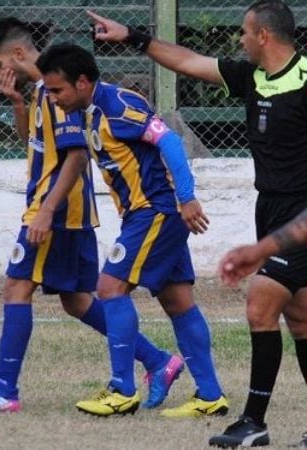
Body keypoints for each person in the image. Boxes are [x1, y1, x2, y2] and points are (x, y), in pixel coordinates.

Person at [88, 0, 306, 445]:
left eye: (244, 32)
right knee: (300, 319)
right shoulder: (252, 76)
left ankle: (253, 422)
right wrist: (133, 36)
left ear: (264, 35)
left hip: (302, 214)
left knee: (260, 303)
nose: (239, 40)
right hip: (270, 207)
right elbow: (187, 61)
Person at [0, 18, 182, 414]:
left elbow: (75, 156)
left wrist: (45, 212)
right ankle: (158, 360)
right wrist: (17, 103)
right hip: (69, 212)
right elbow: (35, 142)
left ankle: (5, 390)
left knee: (15, 288)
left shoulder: (56, 90)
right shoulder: (45, 91)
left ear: (19, 54)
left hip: (55, 209)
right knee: (77, 300)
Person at [37, 43, 227, 418]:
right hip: (146, 215)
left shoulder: (119, 106)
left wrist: (187, 198)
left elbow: (169, 141)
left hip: (155, 211)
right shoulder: (86, 111)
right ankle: (210, 396)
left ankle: (122, 389)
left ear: (82, 82)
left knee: (109, 287)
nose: (53, 98)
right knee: (177, 301)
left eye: (57, 90)